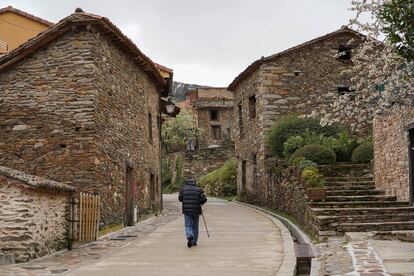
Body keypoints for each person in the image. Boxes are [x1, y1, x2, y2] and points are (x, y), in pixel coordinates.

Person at [178, 178, 207, 248]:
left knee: (188, 225)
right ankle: (194, 242)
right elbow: (204, 199)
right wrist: (200, 203)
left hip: (186, 210)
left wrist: (185, 201)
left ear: (187, 183)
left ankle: (189, 235)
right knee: (195, 225)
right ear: (195, 183)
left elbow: (180, 199)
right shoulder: (199, 189)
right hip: (196, 210)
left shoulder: (183, 189)